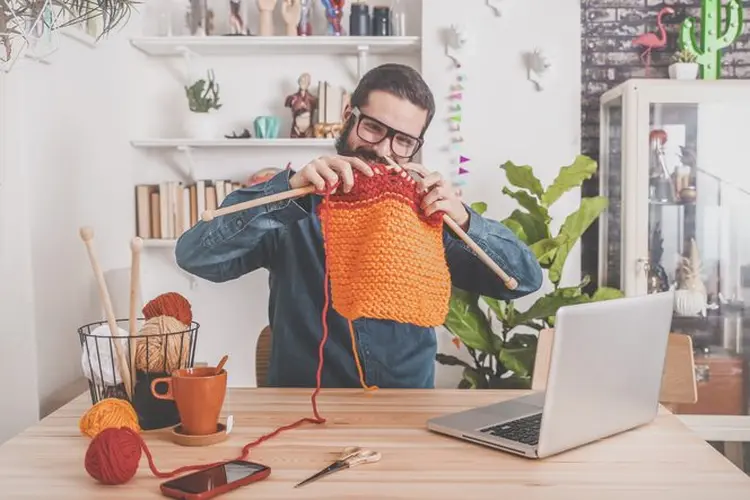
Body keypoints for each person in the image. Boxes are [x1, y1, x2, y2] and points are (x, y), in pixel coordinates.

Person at [175, 63, 543, 389]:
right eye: (372, 128)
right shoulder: (294, 201)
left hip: (404, 409)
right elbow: (196, 256)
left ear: (417, 145)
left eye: (403, 141)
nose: (383, 150)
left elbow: (522, 280)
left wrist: (463, 219)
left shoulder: (424, 214)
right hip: (303, 406)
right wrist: (286, 192)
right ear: (349, 115)